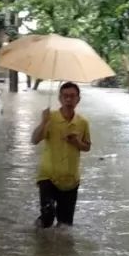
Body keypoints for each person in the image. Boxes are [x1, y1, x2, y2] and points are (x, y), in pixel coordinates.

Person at [31, 82, 91, 228]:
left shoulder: (82, 122)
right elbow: (34, 140)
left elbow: (87, 147)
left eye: (72, 96)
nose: (69, 100)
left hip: (71, 179)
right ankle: (37, 236)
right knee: (48, 216)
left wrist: (77, 142)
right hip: (48, 176)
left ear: (78, 99)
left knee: (65, 225)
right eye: (65, 96)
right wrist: (44, 122)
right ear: (60, 98)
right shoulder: (50, 117)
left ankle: (59, 250)